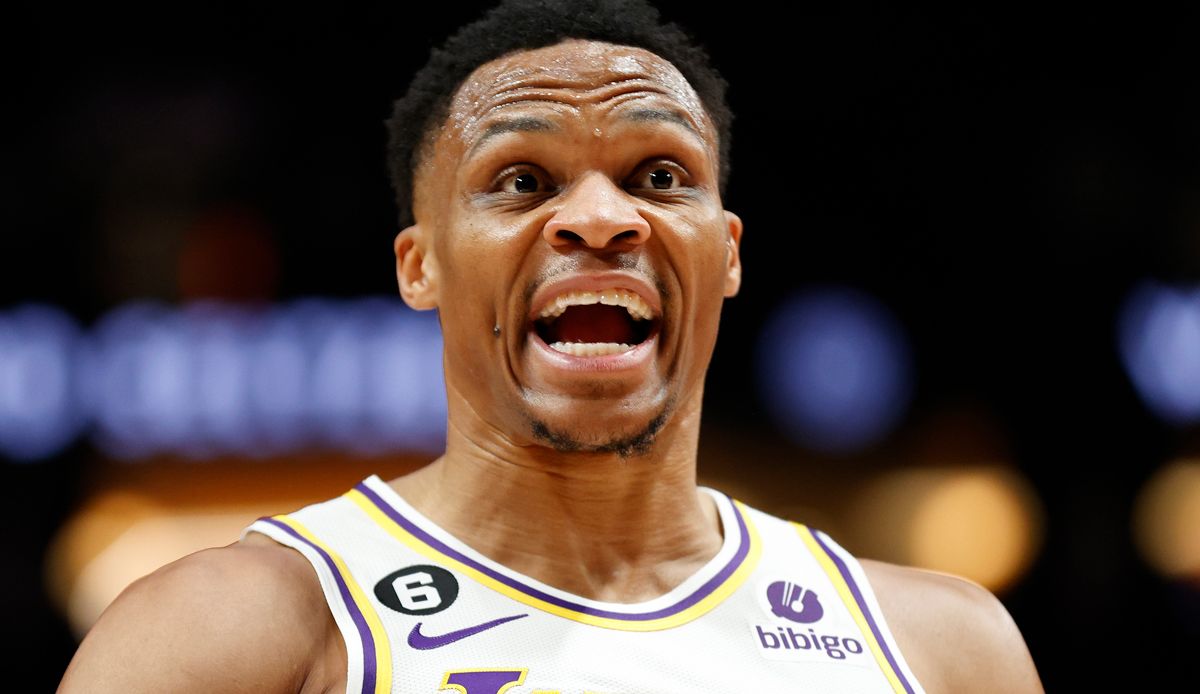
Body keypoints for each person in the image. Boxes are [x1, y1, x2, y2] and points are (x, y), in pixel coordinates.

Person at [59, 1, 1043, 691]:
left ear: (729, 253)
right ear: (419, 265)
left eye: (660, 176)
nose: (602, 219)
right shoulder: (235, 631)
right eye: (523, 180)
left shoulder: (943, 651)